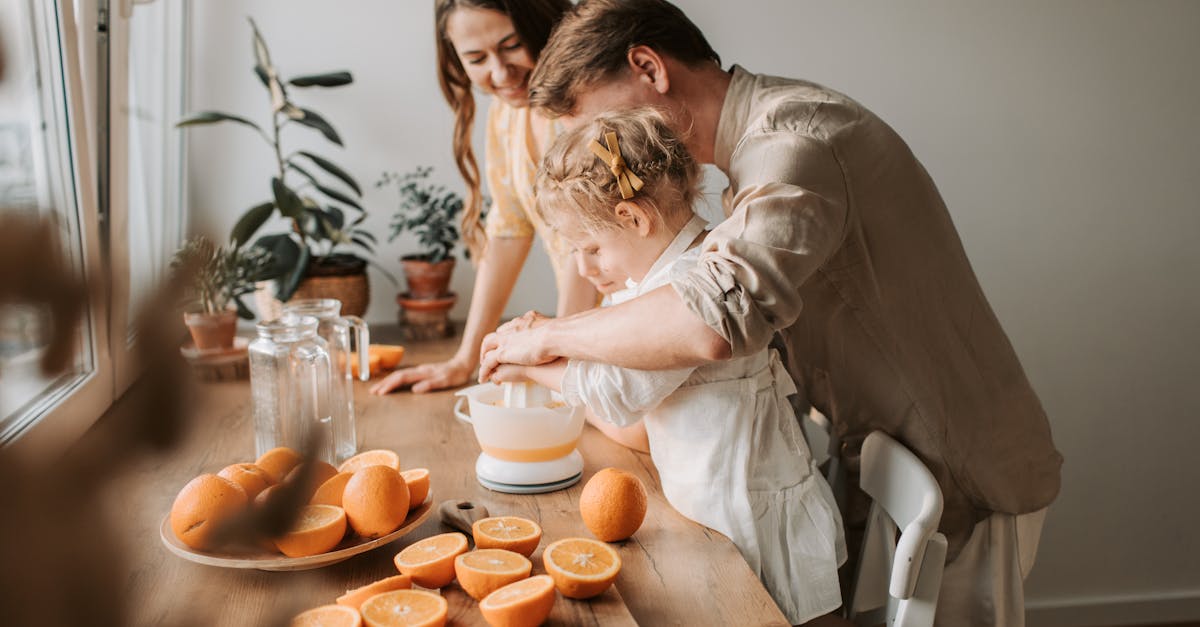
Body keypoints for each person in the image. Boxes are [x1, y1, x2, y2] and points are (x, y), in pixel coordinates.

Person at [478, 1, 1063, 624]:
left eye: (601, 127)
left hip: (961, 468)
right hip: (883, 455)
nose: (605, 155)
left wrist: (547, 337)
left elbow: (712, 321)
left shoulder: (794, 142)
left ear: (648, 67)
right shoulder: (741, 164)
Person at [493, 107, 845, 625]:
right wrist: (543, 349)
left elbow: (616, 392)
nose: (585, 269)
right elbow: (634, 413)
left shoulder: (682, 285)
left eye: (589, 249)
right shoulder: (658, 275)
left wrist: (529, 364)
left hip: (742, 517)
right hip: (706, 504)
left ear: (634, 219)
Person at [370, 0, 594, 395]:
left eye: (512, 45)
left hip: (617, 335)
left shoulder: (590, 103)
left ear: (544, 23)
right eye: (476, 58)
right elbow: (509, 230)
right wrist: (465, 359)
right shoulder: (507, 114)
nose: (500, 73)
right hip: (578, 343)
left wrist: (563, 358)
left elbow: (590, 240)